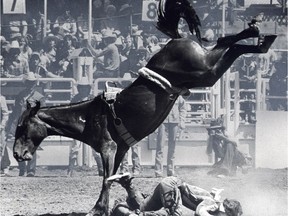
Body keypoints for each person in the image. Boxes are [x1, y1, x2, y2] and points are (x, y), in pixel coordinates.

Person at [109, 174, 243, 216]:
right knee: (174, 215)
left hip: (169, 185)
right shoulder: (212, 204)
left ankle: (127, 183)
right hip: (173, 186)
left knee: (143, 206)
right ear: (226, 211)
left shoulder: (213, 203)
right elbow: (200, 211)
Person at [5, 72, 45, 177]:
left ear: (34, 83)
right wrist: (12, 124)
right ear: (26, 83)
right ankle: (22, 168)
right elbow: (15, 111)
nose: (30, 84)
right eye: (28, 82)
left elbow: (42, 111)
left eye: (32, 82)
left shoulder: (39, 97)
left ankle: (31, 170)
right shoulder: (20, 95)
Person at [67, 79, 103, 177]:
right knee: (75, 147)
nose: (83, 90)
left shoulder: (92, 98)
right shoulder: (75, 99)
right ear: (79, 88)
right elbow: (70, 112)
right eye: (82, 88)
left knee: (96, 148)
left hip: (90, 125)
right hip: (78, 124)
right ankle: (71, 169)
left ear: (88, 88)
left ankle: (101, 168)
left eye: (85, 88)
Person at [155, 96, 187, 177]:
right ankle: (158, 171)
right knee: (160, 146)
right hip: (162, 122)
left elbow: (183, 108)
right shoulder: (161, 94)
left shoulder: (178, 96)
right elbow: (155, 109)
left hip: (174, 122)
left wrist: (182, 121)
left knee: (172, 147)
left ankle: (170, 170)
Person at [0, 94, 10, 177]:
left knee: (1, 147)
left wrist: (2, 126)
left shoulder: (1, 98)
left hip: (0, 128)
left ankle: (5, 167)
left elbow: (5, 113)